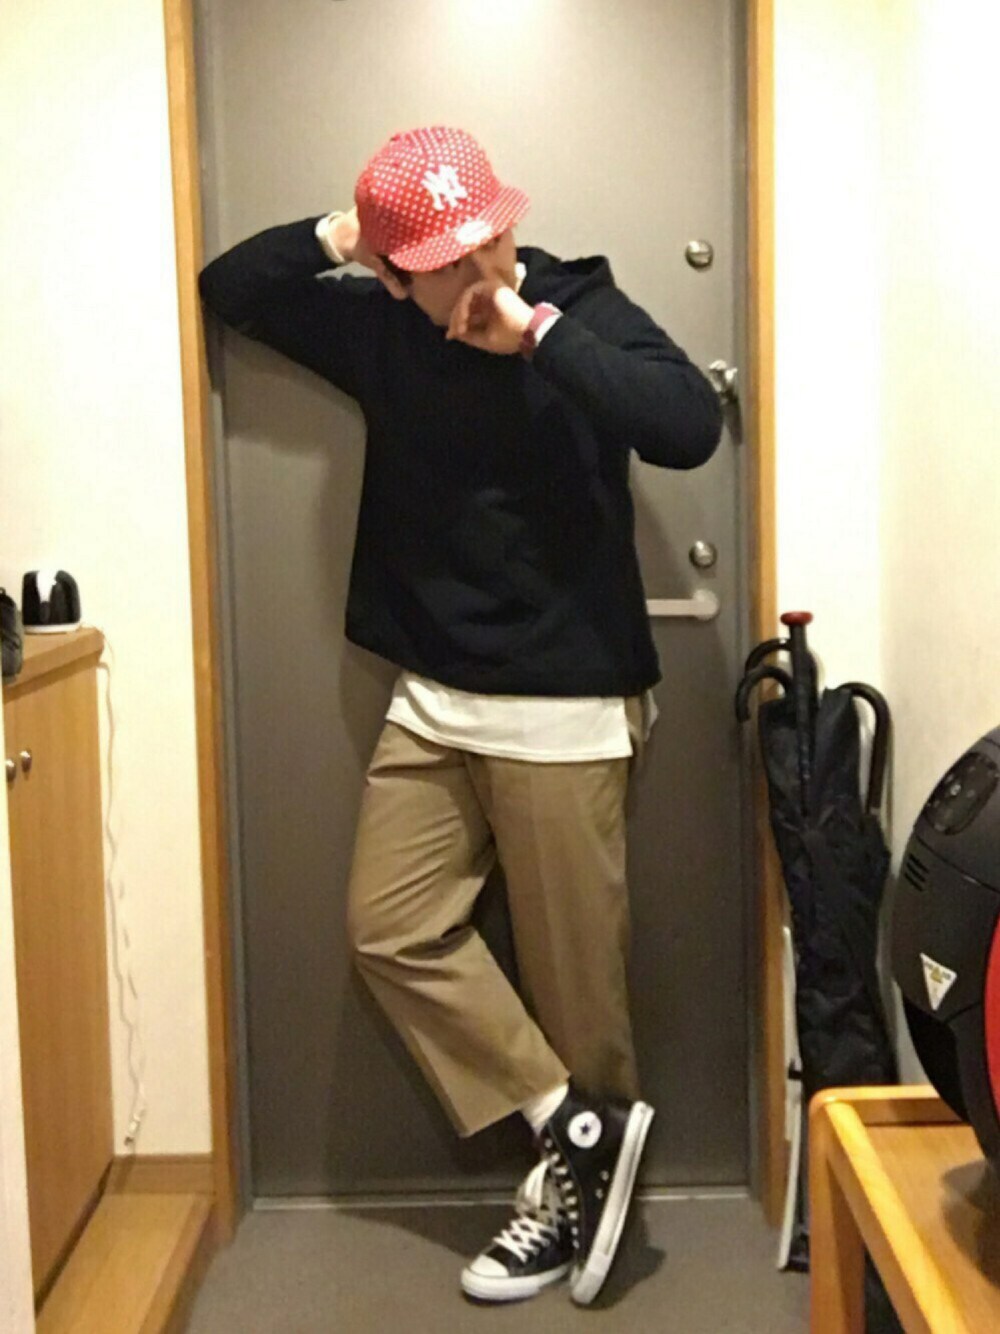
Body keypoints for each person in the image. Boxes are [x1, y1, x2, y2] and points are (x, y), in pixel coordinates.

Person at [199, 124, 722, 1307]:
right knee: (389, 925)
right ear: (395, 274)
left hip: (566, 705)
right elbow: (230, 287)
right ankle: (571, 1126)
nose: (479, 264)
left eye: (488, 235)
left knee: (579, 995)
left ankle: (572, 1192)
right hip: (433, 700)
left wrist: (539, 334)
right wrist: (347, 235)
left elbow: (685, 423)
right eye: (444, 256)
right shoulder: (376, 324)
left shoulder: (579, 303)